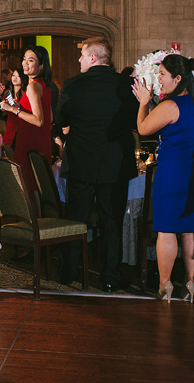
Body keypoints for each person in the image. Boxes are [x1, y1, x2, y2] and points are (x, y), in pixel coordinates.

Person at [57, 37, 138, 291]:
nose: (79, 59)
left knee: (75, 219)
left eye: (82, 55)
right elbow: (137, 120)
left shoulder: (72, 85)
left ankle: (69, 273)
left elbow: (60, 120)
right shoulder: (127, 85)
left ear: (93, 58)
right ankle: (110, 276)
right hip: (115, 163)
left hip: (81, 162)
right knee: (112, 220)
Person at [133, 55, 194, 302]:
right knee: (191, 230)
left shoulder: (170, 106)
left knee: (167, 230)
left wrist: (144, 102)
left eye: (163, 74)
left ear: (178, 79)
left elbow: (143, 129)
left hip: (174, 171)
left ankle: (165, 284)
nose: (159, 79)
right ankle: (191, 283)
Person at [0, 45, 53, 193]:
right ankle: (38, 215)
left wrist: (12, 109)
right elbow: (50, 117)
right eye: (24, 59)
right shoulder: (44, 85)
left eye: (30, 60)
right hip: (40, 140)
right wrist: (19, 108)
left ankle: (32, 216)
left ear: (41, 65)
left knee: (28, 185)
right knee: (36, 185)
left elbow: (39, 121)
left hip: (30, 140)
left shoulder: (33, 86)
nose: (25, 63)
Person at [0, 68, 29, 151]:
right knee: (9, 151)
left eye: (18, 76)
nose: (15, 78)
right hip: (11, 126)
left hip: (23, 126)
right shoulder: (8, 92)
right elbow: (6, 112)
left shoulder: (27, 93)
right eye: (13, 75)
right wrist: (4, 108)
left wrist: (17, 107)